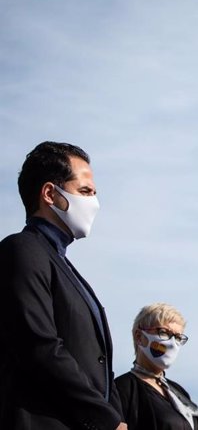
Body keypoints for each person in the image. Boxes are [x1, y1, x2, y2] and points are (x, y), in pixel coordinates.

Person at [0, 141, 127, 429]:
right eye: (85, 191)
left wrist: (117, 417)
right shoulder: (23, 250)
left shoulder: (63, 265)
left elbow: (100, 362)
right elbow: (39, 348)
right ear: (49, 194)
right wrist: (104, 418)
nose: (94, 202)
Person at [116, 303, 198, 430]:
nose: (172, 343)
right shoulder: (122, 389)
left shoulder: (179, 392)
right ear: (139, 337)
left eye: (178, 337)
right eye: (163, 332)